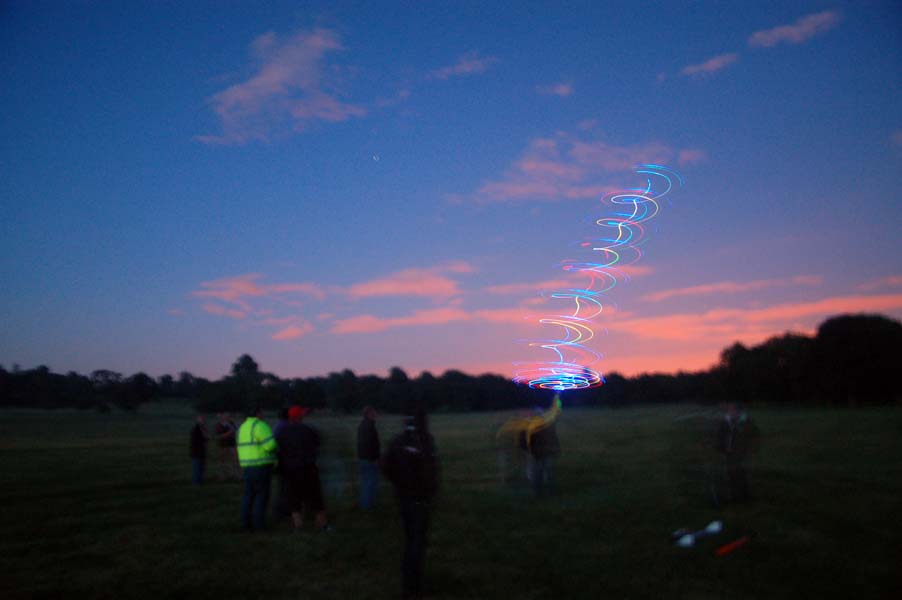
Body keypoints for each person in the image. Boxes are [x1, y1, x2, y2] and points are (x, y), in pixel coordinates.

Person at [383, 408, 440, 600]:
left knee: (410, 540)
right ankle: (412, 587)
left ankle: (411, 582)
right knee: (417, 543)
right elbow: (432, 471)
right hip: (419, 500)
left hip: (403, 498)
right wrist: (429, 492)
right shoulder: (425, 442)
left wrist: (399, 486)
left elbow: (386, 467)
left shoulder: (397, 442)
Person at [274, 406, 332, 531]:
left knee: (294, 499)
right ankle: (322, 524)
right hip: (308, 469)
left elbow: (278, 450)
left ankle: (298, 526)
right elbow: (317, 445)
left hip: (290, 470)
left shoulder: (282, 432)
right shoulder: (308, 430)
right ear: (301, 416)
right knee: (316, 498)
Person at [237, 406, 278, 531]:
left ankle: (245, 524)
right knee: (262, 496)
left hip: (246, 467)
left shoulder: (242, 427)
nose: (263, 414)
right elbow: (270, 446)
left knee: (248, 496)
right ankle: (259, 526)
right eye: (262, 411)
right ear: (258, 413)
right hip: (261, 466)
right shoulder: (260, 425)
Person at [715, 402, 760, 505]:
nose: (731, 412)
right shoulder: (726, 422)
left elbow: (755, 436)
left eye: (733, 410)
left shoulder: (746, 422)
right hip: (729, 453)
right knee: (731, 474)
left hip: (743, 454)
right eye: (729, 410)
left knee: (742, 474)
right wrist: (720, 447)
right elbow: (720, 436)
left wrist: (752, 449)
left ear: (739, 411)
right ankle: (733, 496)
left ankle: (745, 496)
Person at [526, 395, 562, 497]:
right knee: (539, 473)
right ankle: (540, 493)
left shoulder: (546, 424)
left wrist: (557, 399)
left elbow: (557, 411)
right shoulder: (533, 426)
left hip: (544, 452)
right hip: (538, 453)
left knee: (545, 473)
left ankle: (545, 492)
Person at [357, 406, 381, 509]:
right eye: (374, 413)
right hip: (369, 459)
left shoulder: (363, 424)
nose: (376, 414)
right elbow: (371, 444)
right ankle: (367, 505)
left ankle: (364, 503)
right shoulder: (369, 426)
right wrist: (375, 458)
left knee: (366, 482)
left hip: (363, 457)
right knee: (371, 482)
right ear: (368, 414)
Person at [214, 412, 239, 481]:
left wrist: (232, 432)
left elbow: (235, 431)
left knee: (234, 460)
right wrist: (229, 433)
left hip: (232, 444)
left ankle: (234, 475)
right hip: (223, 445)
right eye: (225, 416)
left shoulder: (231, 424)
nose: (227, 418)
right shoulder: (218, 425)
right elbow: (219, 436)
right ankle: (222, 476)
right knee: (222, 460)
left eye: (228, 416)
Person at [189, 414, 208, 486]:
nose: (203, 421)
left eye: (203, 419)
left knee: (201, 468)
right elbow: (196, 440)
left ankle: (200, 481)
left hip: (202, 451)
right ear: (198, 420)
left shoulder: (203, 428)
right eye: (201, 419)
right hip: (196, 452)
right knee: (196, 468)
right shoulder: (195, 429)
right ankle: (195, 483)